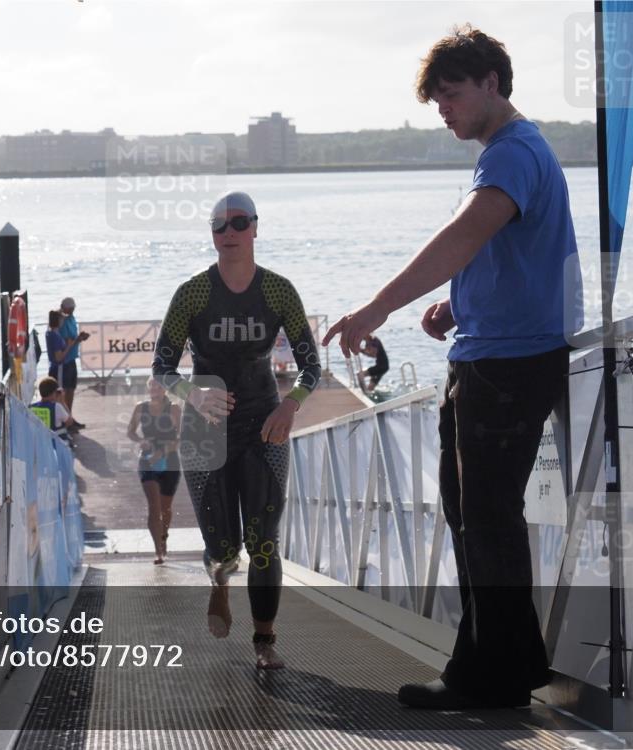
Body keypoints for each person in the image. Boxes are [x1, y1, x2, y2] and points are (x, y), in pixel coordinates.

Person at [322, 25, 580, 710]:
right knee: (475, 517)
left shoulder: (512, 154)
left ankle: (490, 677)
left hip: (508, 365)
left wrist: (375, 308)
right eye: (437, 101)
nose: (445, 111)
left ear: (493, 83)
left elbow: (466, 232)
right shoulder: (509, 154)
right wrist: (454, 303)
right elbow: (493, 249)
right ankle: (501, 664)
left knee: (487, 518)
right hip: (491, 353)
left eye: (453, 95)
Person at [153, 191, 321, 670]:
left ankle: (265, 640)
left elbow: (311, 368)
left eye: (238, 223)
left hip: (263, 424)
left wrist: (291, 405)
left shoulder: (278, 291)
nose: (228, 234)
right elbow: (162, 365)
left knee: (263, 539)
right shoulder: (193, 292)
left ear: (254, 229)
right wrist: (192, 393)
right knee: (222, 546)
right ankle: (220, 578)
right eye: (218, 226)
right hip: (204, 431)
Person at [126, 377, 182, 564]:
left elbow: (182, 436)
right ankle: (158, 550)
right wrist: (139, 441)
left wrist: (164, 451)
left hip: (170, 459)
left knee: (165, 508)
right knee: (154, 506)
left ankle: (164, 536)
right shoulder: (140, 407)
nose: (155, 389)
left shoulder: (174, 408)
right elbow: (131, 431)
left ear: (165, 389)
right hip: (147, 460)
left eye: (159, 386)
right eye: (152, 386)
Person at [59, 296, 90, 428]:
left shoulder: (72, 319)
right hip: (65, 360)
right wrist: (78, 339)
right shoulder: (63, 321)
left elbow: (73, 340)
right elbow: (68, 343)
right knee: (64, 390)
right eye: (70, 308)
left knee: (71, 389)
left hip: (72, 359)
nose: (72, 310)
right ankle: (65, 419)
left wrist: (79, 337)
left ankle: (69, 416)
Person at [29, 376, 76, 445]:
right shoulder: (57, 407)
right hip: (55, 445)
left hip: (39, 444)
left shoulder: (31, 407)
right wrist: (62, 402)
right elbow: (70, 422)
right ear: (53, 393)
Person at [45, 310, 80, 391]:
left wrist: (75, 341)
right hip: (59, 369)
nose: (63, 321)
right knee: (59, 392)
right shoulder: (55, 336)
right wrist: (69, 346)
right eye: (61, 319)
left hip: (54, 367)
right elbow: (58, 357)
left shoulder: (50, 333)